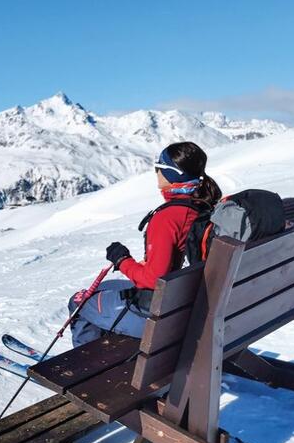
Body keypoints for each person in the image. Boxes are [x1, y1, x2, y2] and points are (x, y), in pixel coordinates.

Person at [69, 142, 223, 347]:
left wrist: (122, 260)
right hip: (189, 303)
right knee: (105, 288)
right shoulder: (204, 204)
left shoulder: (167, 217)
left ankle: (86, 367)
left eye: (158, 168)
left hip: (161, 315)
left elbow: (152, 279)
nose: (156, 172)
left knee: (79, 301)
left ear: (171, 174)